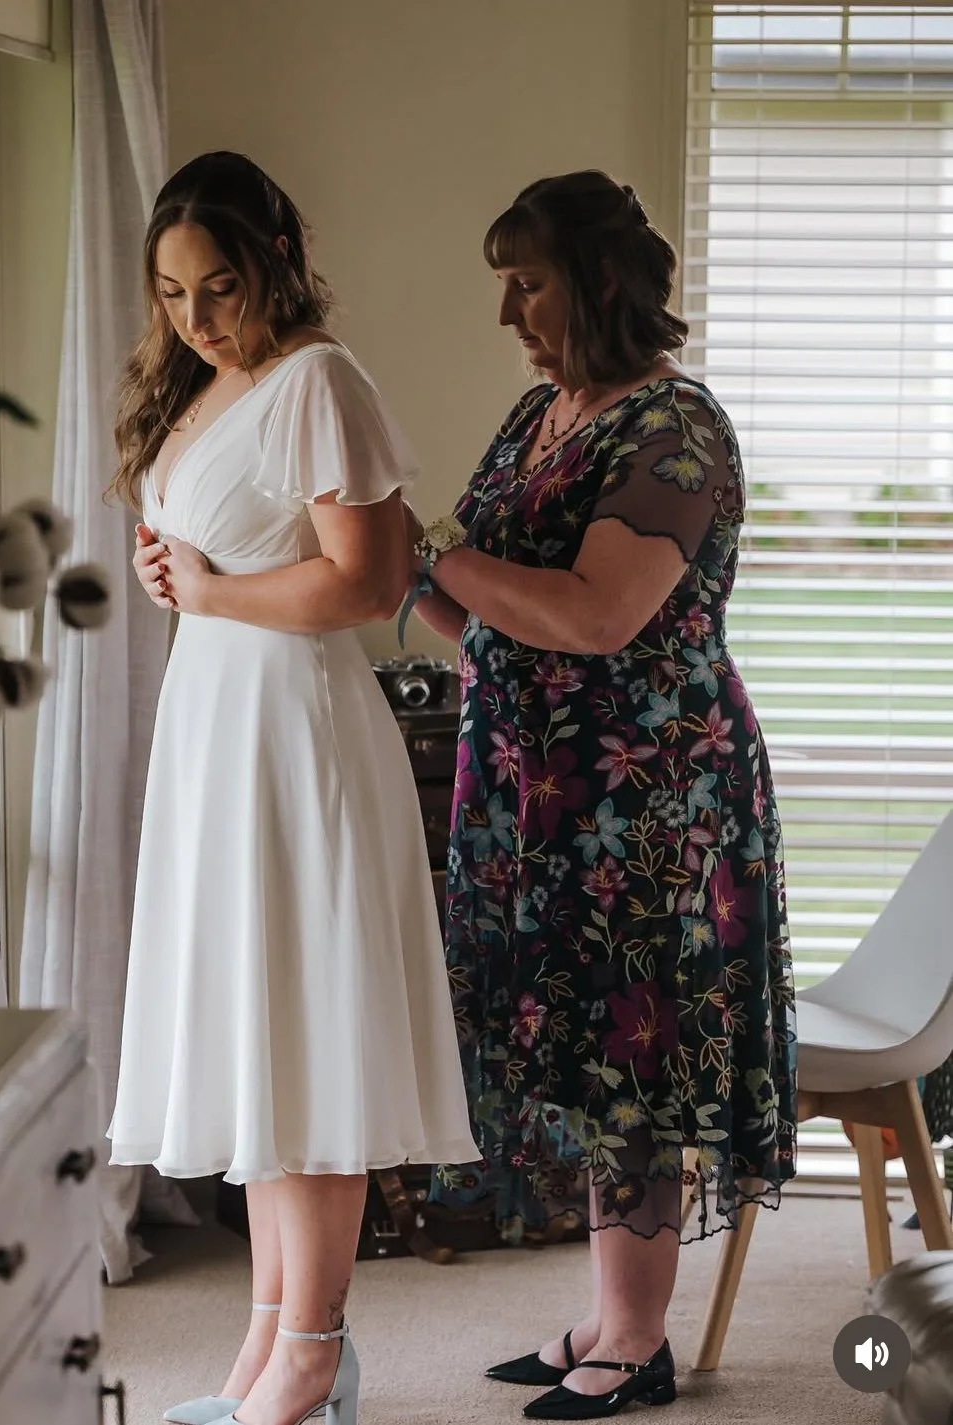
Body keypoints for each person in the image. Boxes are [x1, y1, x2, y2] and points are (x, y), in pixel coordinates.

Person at [407, 171, 797, 1420]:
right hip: (532, 796)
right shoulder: (542, 414)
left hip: (650, 806)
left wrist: (432, 554)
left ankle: (637, 1339)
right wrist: (386, 565)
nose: (512, 311)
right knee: (576, 1052)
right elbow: (471, 612)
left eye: (529, 283)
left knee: (634, 1055)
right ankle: (604, 1314)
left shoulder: (676, 429)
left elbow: (594, 612)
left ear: (601, 284)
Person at [105, 151, 479, 1425]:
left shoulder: (319, 378)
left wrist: (206, 592)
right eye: (171, 294)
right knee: (262, 1040)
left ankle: (313, 1349)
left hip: (295, 732)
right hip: (216, 724)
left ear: (271, 263)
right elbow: (226, 551)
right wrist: (180, 583)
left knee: (306, 1042)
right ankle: (269, 1337)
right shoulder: (210, 390)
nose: (196, 319)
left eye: (217, 287)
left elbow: (370, 585)